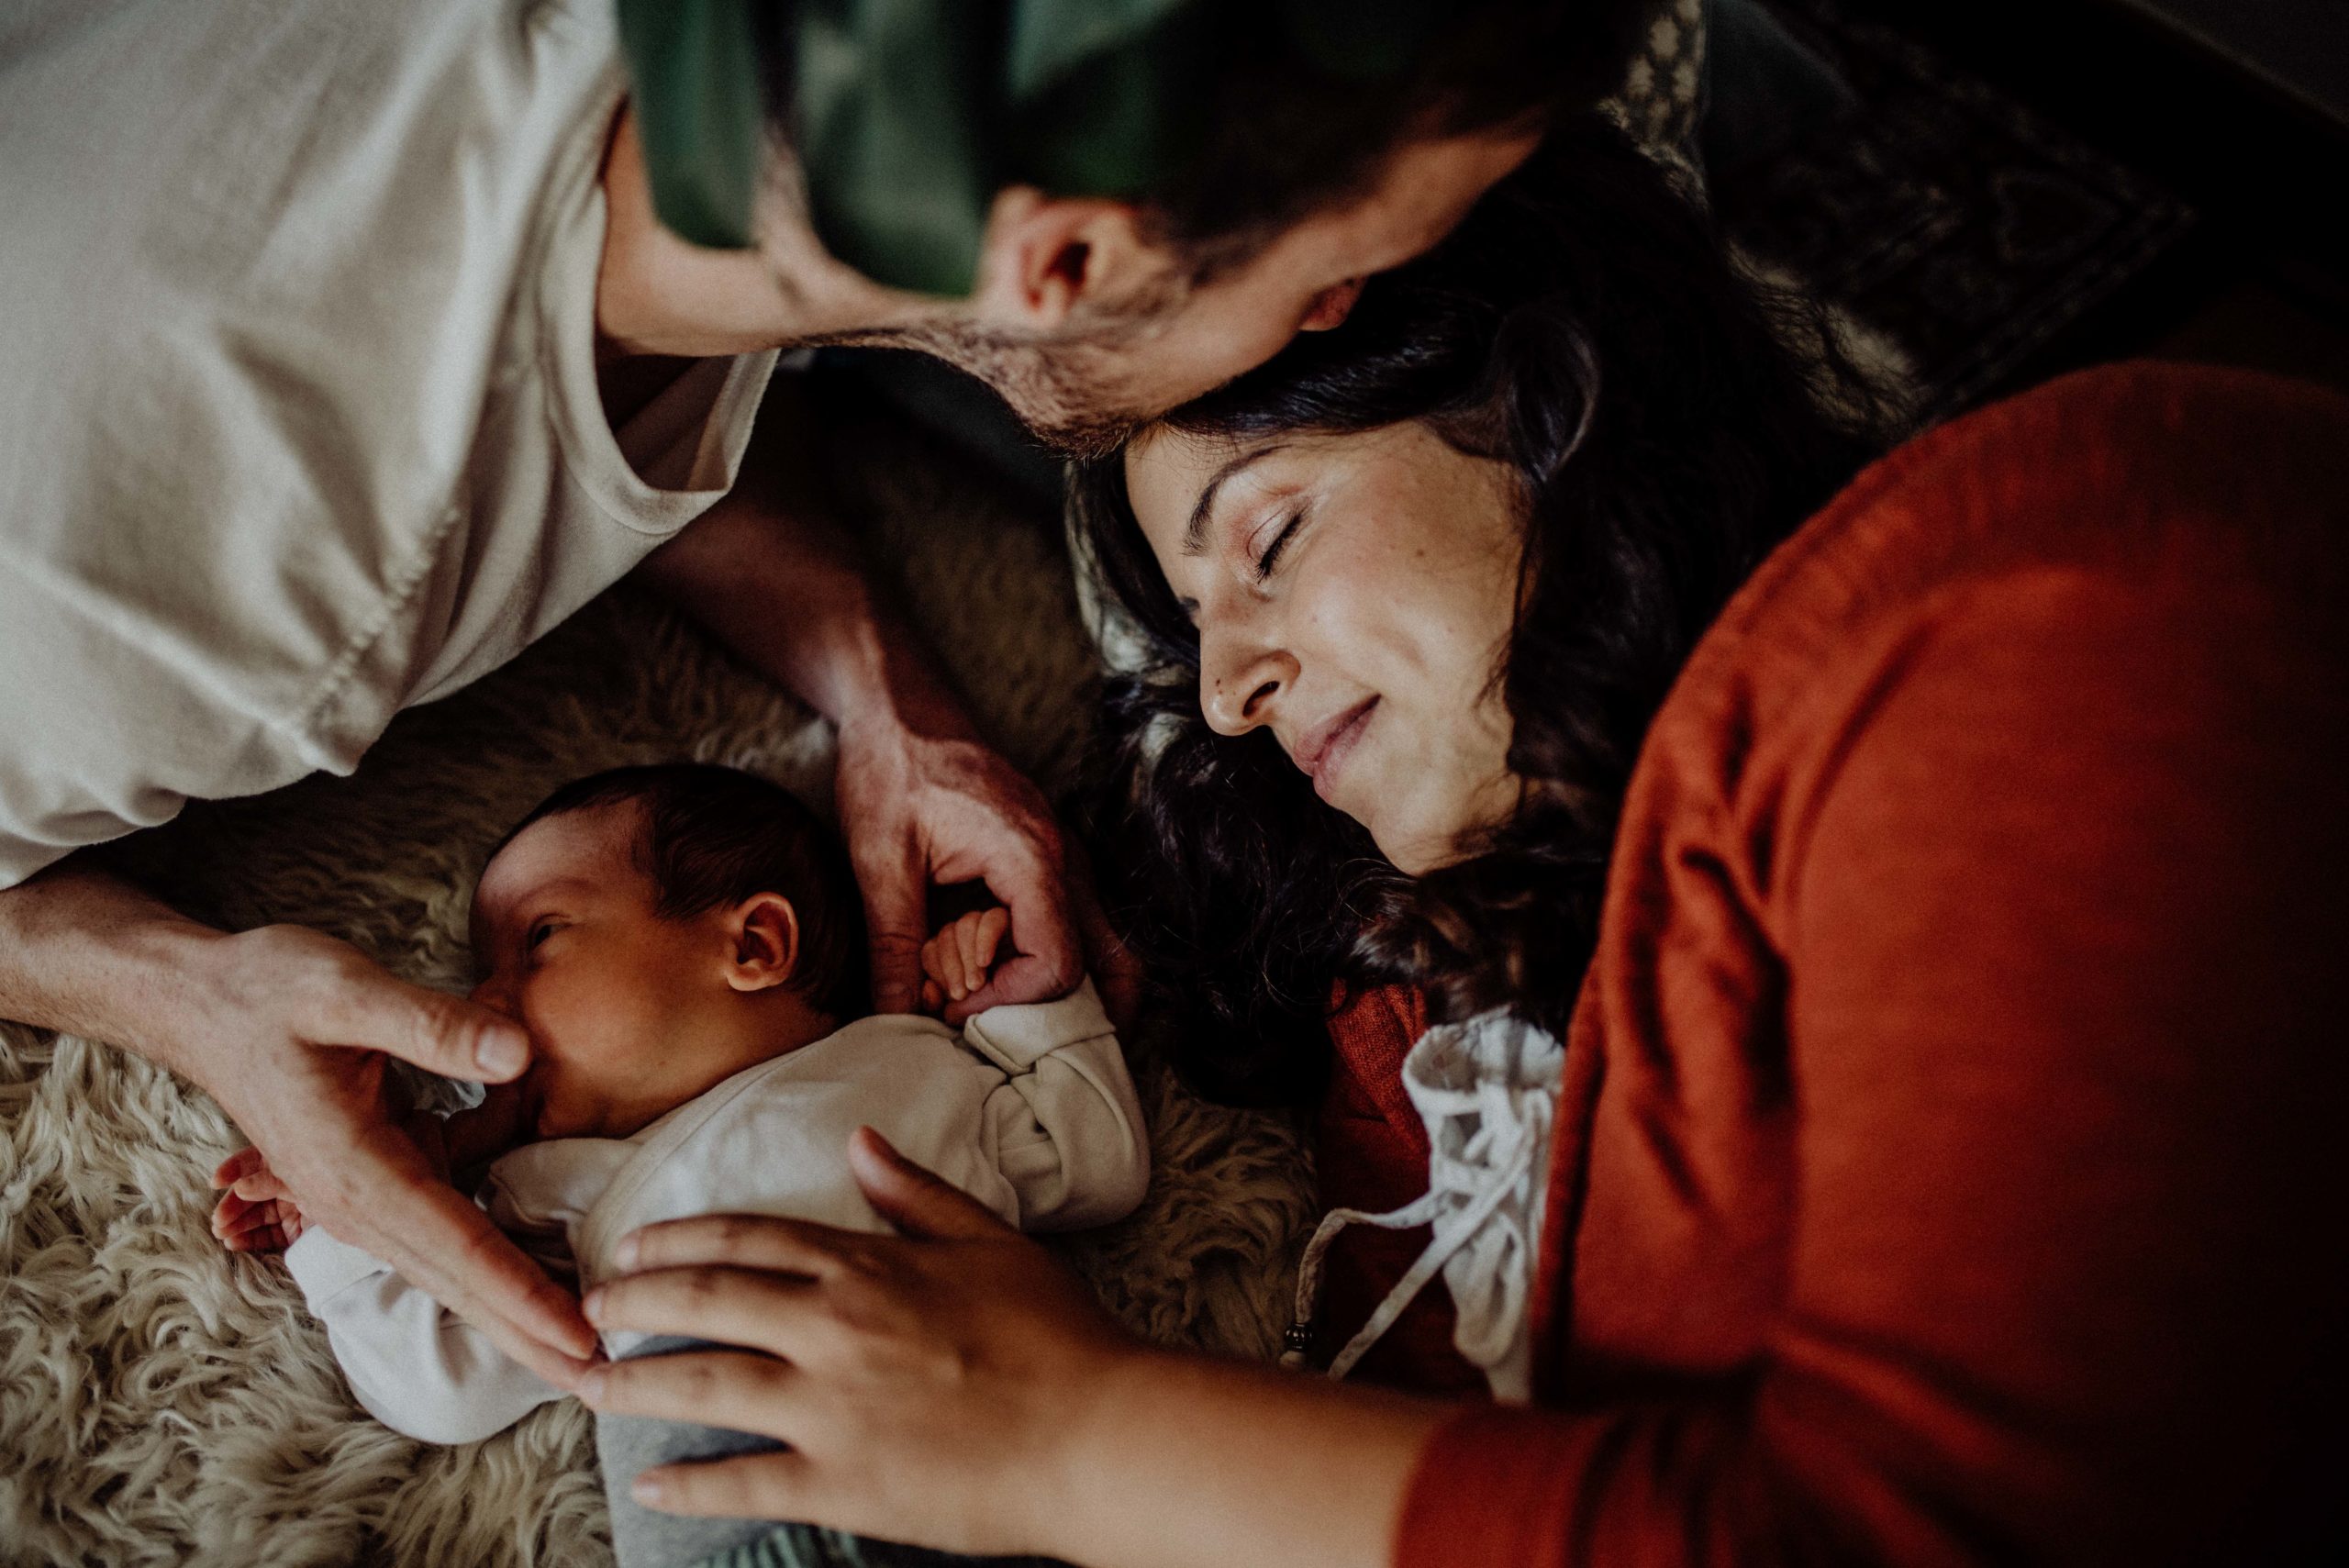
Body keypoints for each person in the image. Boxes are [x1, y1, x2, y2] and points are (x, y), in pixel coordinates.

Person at [563, 120, 2349, 1564]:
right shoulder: (1411, 1002)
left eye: (1267, 541)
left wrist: (1068, 1432)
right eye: (1195, 628)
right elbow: (662, 403)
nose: (1237, 686)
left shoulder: (2060, 572)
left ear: (1546, 393)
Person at [0, 0, 1651, 1393]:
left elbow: (617, 421)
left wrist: (884, 693)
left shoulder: (735, 173)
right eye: (1334, 274)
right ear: (1065, 255)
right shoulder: (186, 585)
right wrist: (194, 1000)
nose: (1340, 316)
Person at [209, 762, 1143, 1568]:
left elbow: (1097, 1160)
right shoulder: (550, 1189)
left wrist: (1016, 992)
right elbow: (446, 1385)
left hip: (1005, 1488)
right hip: (745, 1538)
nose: (488, 1000)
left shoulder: (917, 1063)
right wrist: (346, 1219)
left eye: (538, 938)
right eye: (485, 972)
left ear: (751, 944)